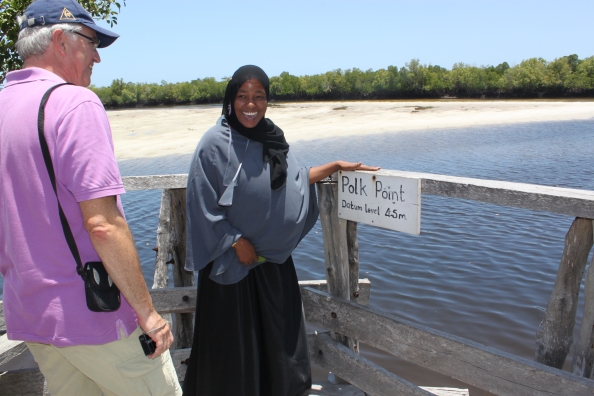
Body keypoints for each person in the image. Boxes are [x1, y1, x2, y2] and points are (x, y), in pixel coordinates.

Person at [0, 1, 181, 395]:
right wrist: (148, 315)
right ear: (61, 41)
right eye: (92, 41)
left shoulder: (4, 105)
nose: (97, 55)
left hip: (30, 312)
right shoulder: (75, 103)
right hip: (94, 316)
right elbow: (102, 224)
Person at [183, 65, 379, 396]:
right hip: (233, 265)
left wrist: (332, 167)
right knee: (234, 350)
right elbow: (200, 200)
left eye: (259, 97)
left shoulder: (272, 137)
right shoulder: (214, 143)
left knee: (280, 346)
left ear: (267, 101)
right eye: (243, 96)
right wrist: (233, 241)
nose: (251, 104)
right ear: (231, 99)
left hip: (271, 264)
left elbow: (293, 180)